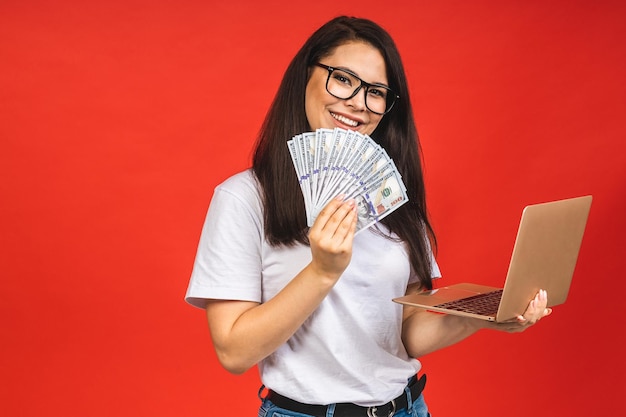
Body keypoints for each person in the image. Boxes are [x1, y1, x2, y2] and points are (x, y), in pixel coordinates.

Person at [185, 16, 552, 417]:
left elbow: (405, 334)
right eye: (343, 79)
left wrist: (483, 316)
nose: (359, 102)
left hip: (406, 408)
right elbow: (234, 351)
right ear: (304, 77)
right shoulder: (244, 199)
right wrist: (322, 272)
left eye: (376, 92)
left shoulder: (391, 197)